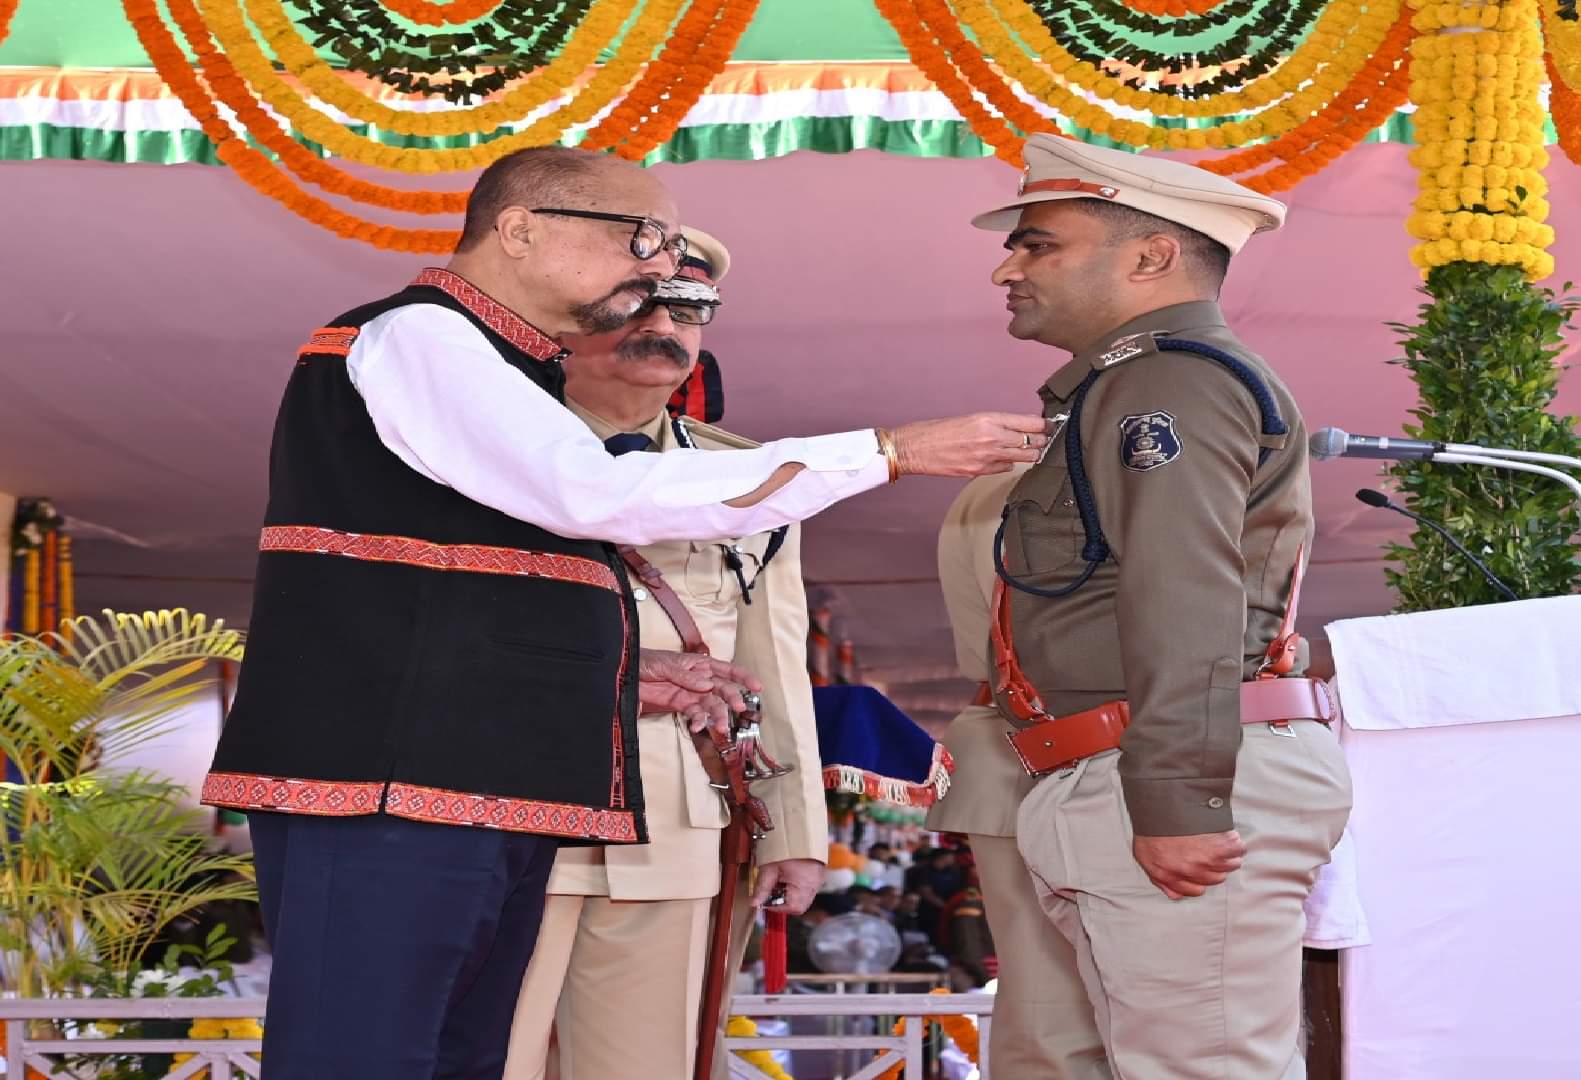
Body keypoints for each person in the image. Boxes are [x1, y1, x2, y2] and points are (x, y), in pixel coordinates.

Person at [201, 144, 1045, 1077]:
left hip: (487, 784)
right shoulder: (420, 337)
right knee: (365, 1058)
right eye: (641, 237)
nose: (656, 265)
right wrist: (886, 450)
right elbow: (589, 493)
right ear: (518, 229)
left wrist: (620, 670)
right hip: (387, 789)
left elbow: (467, 589)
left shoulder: (508, 369)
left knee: (456, 1060)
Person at [971, 133, 1352, 1078]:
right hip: (1127, 761)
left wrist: (1178, 796)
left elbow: (1183, 590)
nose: (1005, 267)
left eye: (1038, 243)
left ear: (1149, 256)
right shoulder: (1126, 383)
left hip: (1167, 764)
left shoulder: (1169, 379)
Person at [501, 228, 828, 1079]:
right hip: (509, 812)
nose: (667, 325)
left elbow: (772, 666)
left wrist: (795, 831)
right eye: (639, 301)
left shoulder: (751, 478)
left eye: (689, 308)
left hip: (676, 826)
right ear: (563, 321)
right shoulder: (480, 457)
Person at [925, 467, 1108, 1079]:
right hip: (1100, 746)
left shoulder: (986, 488)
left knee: (1045, 1017)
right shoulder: (1150, 465)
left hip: (1014, 742)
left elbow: (976, 650)